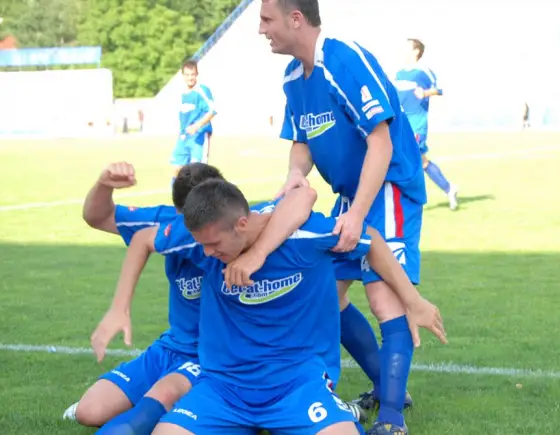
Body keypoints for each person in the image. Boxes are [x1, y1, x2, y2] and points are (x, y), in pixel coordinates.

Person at [151, 179, 445, 435]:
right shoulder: (199, 244)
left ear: (242, 224)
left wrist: (413, 300)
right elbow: (137, 236)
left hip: (297, 386)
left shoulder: (304, 235)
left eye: (214, 244)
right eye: (202, 244)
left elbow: (370, 239)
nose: (206, 253)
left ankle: (339, 411)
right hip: (222, 388)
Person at [258, 1, 431, 432]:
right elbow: (301, 140)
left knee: (381, 294)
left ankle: (391, 418)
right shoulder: (293, 78)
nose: (262, 30)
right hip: (352, 193)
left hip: (387, 184)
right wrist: (295, 175)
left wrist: (356, 215)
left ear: (295, 19)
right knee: (325, 298)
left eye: (266, 20)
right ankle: (389, 387)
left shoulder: (343, 58)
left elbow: (382, 142)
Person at [63, 162, 319, 434]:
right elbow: (99, 217)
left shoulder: (239, 223)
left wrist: (259, 253)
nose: (205, 245)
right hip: (172, 346)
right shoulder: (170, 228)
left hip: (214, 356)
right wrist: (104, 183)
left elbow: (302, 198)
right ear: (180, 214)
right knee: (89, 411)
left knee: (153, 406)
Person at [394, 38, 458, 210]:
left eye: (406, 47)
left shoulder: (424, 71)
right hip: (400, 122)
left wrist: (426, 92)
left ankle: (408, 201)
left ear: (416, 51)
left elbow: (440, 89)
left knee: (406, 159)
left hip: (416, 122)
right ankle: (449, 188)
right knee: (421, 162)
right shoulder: (399, 73)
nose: (403, 50)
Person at [170, 59, 218, 184]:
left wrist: (197, 126)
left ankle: (201, 200)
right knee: (177, 169)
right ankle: (180, 200)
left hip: (199, 136)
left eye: (192, 74)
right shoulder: (181, 93)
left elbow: (212, 110)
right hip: (183, 137)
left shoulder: (202, 91)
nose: (190, 78)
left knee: (197, 172)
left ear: (197, 74)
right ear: (183, 75)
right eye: (187, 75)